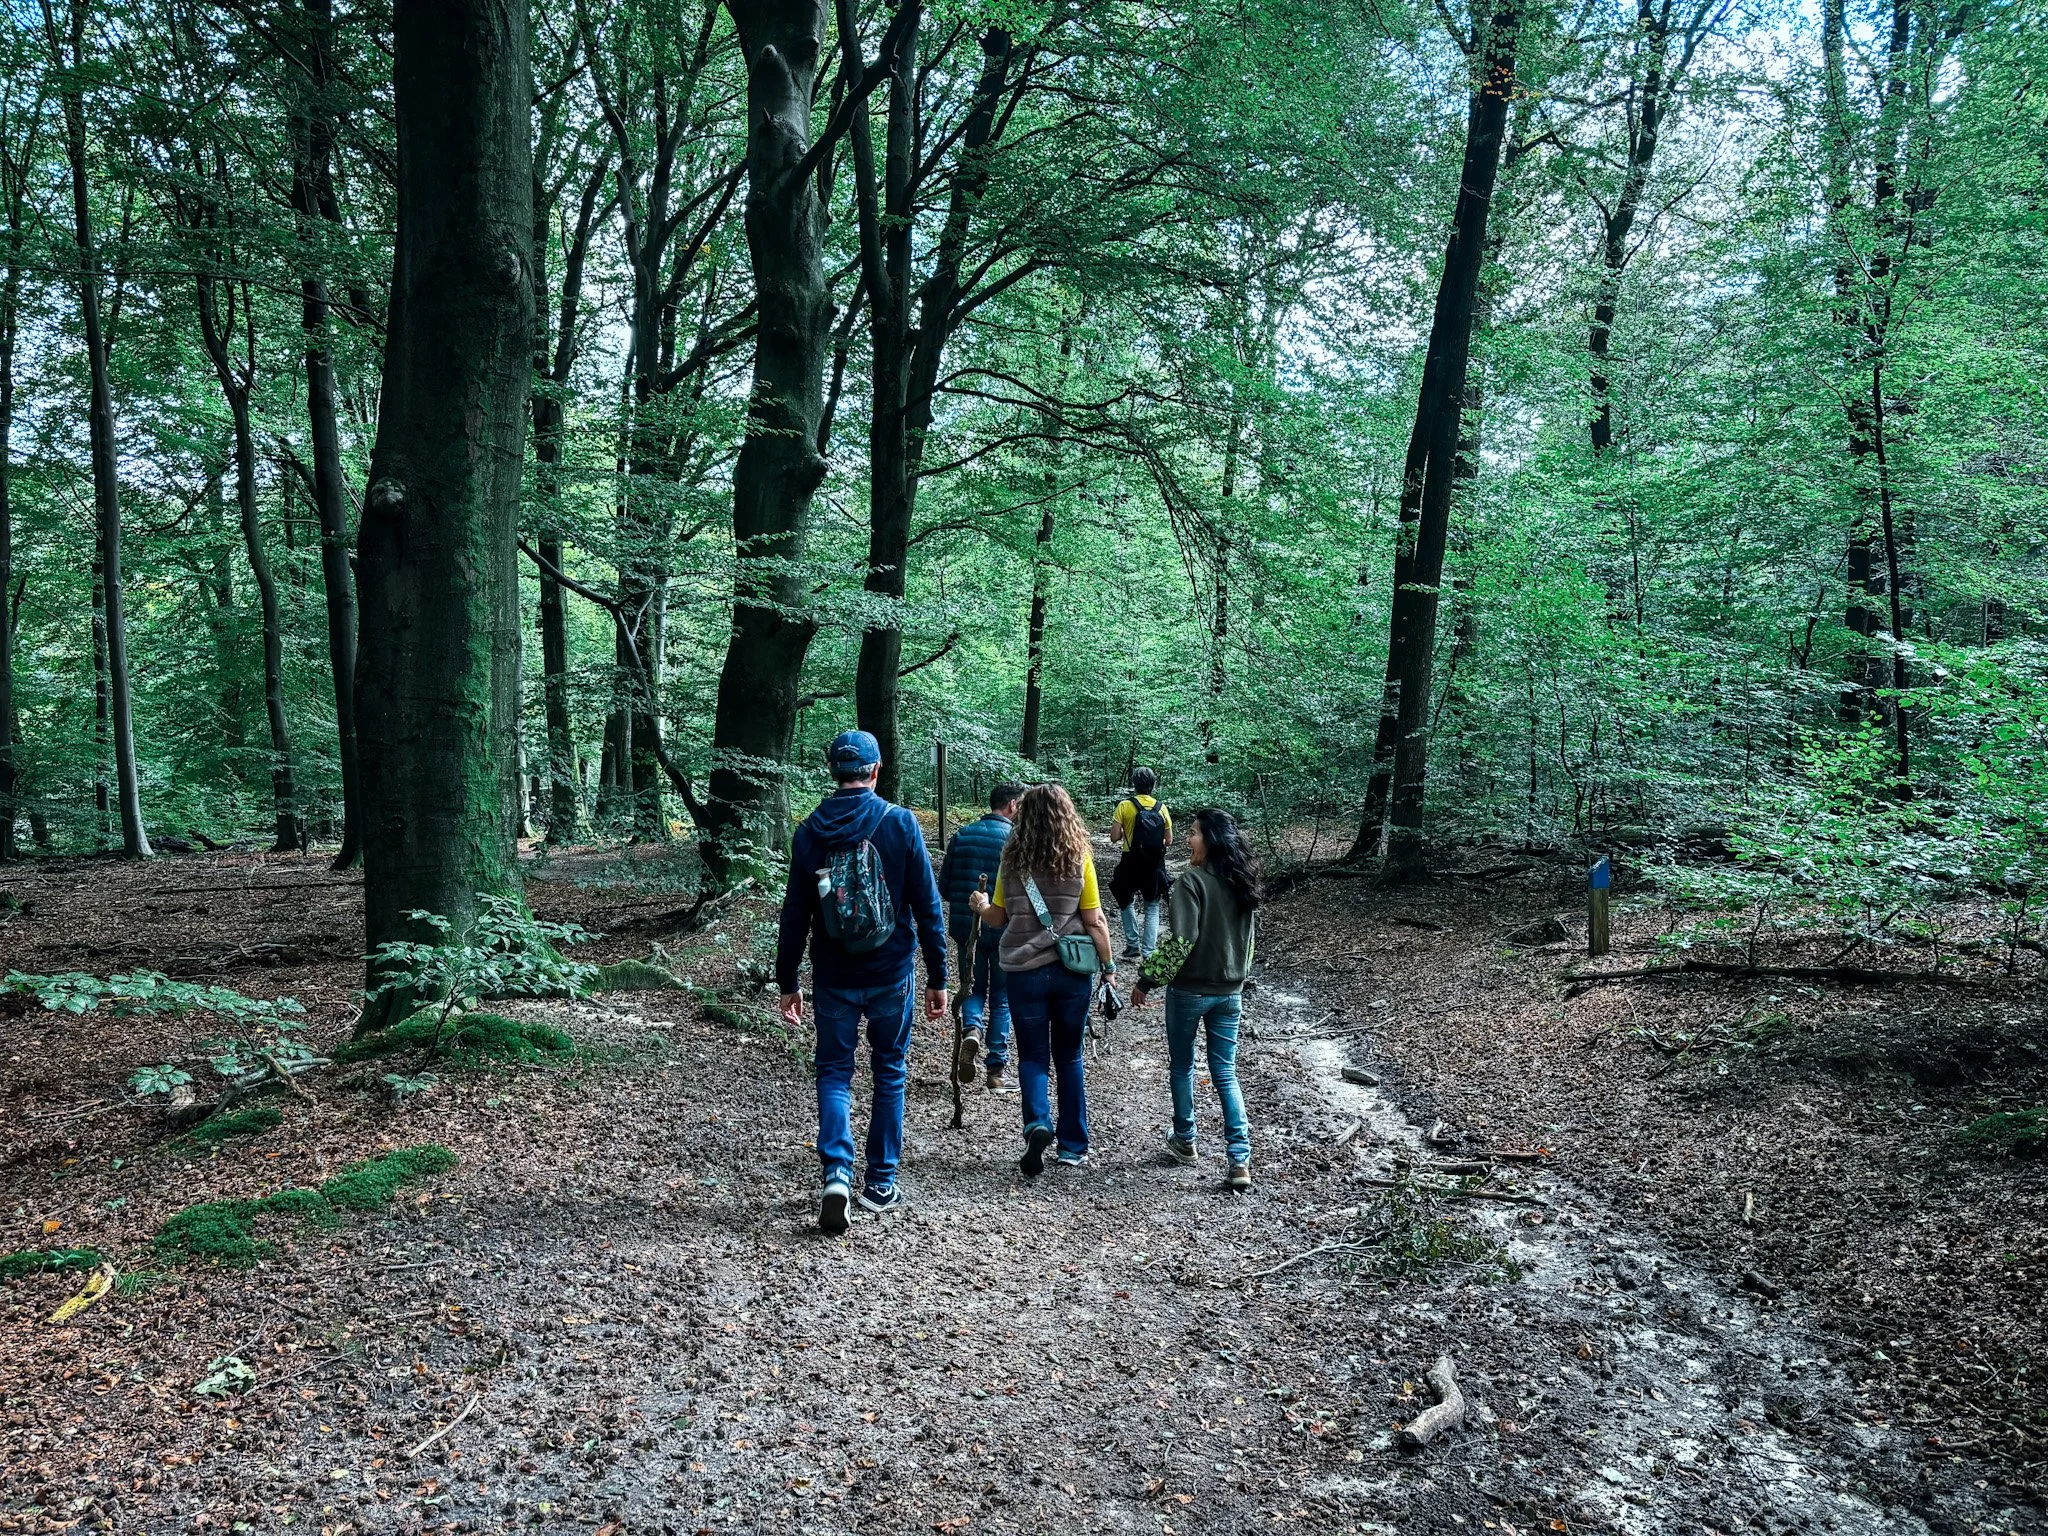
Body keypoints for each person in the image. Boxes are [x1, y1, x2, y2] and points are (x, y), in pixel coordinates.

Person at [777, 730, 947, 1233]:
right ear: (875, 771)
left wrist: (787, 980)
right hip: (892, 971)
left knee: (834, 1072)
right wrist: (938, 974)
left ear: (833, 771)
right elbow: (927, 904)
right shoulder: (899, 823)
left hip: (833, 976)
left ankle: (836, 1173)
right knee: (890, 1070)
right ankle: (881, 1182)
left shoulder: (810, 831)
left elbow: (794, 914)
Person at [970, 784, 1118, 1175]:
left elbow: (998, 919)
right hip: (1071, 971)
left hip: (1023, 971)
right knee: (1069, 1056)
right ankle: (1072, 1146)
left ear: (1024, 816)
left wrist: (981, 905)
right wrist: (1108, 967)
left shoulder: (1011, 858)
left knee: (1033, 1055)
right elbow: (1095, 920)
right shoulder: (1078, 857)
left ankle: (1037, 1121)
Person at [1133, 807, 1262, 1192]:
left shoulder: (1191, 881)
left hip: (1190, 991)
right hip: (1230, 993)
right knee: (1225, 1073)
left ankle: (1185, 1139)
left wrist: (1147, 978)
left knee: (1183, 1066)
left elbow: (1182, 941)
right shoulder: (1243, 880)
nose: (1187, 839)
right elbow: (1249, 943)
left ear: (1211, 839)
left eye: (1193, 833)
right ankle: (1239, 1159)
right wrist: (1238, 975)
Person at [937, 782, 1025, 1090]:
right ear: (1012, 805)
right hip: (1004, 930)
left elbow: (945, 888)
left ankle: (972, 1029)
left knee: (972, 988)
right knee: (1001, 997)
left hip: (967, 931)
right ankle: (996, 1072)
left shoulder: (961, 836)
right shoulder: (1016, 840)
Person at [1107, 767, 1172, 962]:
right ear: (1153, 784)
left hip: (1130, 860)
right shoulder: (1161, 807)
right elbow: (1169, 840)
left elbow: (1113, 837)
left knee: (1126, 901)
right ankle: (1149, 952)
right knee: (1152, 906)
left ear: (1134, 783)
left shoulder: (1125, 806)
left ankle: (1132, 945)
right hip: (1154, 863)